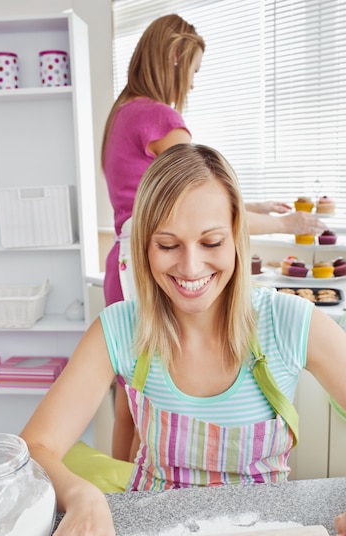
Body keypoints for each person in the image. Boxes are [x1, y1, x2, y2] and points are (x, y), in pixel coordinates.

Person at [21, 143, 346, 536]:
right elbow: (33, 448)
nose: (191, 266)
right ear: (144, 246)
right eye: (167, 244)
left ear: (237, 235)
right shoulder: (118, 329)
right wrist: (81, 496)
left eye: (211, 242)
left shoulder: (291, 323)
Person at [101, 13, 325, 461]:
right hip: (142, 264)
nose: (195, 84)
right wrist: (286, 226)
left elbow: (198, 202)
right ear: (176, 57)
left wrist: (255, 207)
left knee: (132, 398)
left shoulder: (122, 114)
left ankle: (123, 493)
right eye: (196, 70)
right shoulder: (161, 117)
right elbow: (197, 202)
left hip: (125, 259)